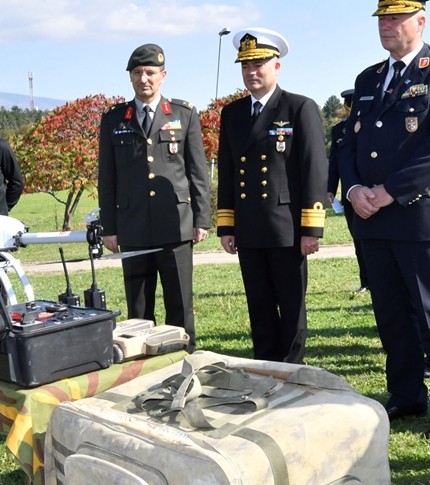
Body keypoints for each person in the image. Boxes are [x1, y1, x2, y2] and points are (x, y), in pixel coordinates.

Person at [339, 0, 430, 440]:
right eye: (383, 19)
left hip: (419, 213)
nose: (388, 26)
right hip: (374, 218)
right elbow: (348, 145)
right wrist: (354, 190)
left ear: (421, 20)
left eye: (397, 18)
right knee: (392, 314)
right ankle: (406, 394)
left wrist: (388, 191)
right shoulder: (368, 79)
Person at [216, 28, 326, 363]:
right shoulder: (232, 114)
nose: (252, 72)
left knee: (291, 308)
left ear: (276, 66)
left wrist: (311, 229)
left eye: (259, 64)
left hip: (287, 228)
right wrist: (227, 225)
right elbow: (228, 172)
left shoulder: (298, 108)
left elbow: (313, 169)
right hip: (249, 228)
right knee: (259, 306)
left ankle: (291, 370)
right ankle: (265, 367)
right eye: (246, 66)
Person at [97, 43, 211, 346]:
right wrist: (110, 227)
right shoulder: (114, 119)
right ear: (130, 77)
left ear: (163, 75)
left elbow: (197, 171)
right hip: (132, 226)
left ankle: (184, 359)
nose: (143, 79)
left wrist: (202, 218)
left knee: (180, 305)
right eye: (137, 73)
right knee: (138, 310)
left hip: (175, 224)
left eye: (150, 72)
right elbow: (107, 178)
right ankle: (142, 369)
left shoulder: (183, 114)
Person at [326, 88, 368, 295]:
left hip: (373, 191)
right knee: (358, 239)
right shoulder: (339, 131)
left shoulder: (373, 125)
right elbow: (335, 163)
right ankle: (366, 281)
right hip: (351, 195)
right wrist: (330, 189)